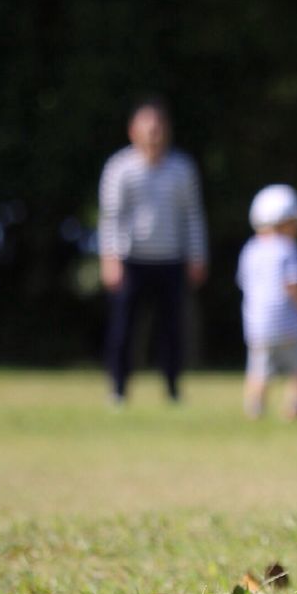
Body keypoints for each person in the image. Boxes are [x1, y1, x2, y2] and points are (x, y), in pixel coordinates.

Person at [98, 98, 208, 404]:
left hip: (171, 260)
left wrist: (197, 255)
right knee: (124, 330)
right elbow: (111, 217)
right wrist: (110, 258)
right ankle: (118, 390)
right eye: (148, 127)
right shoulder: (120, 168)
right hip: (130, 261)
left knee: (172, 331)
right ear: (133, 131)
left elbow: (192, 215)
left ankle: (173, 389)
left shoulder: (182, 168)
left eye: (159, 127)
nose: (154, 133)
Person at [237, 184, 297, 420]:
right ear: (282, 221)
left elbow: (245, 284)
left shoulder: (251, 249)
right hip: (291, 325)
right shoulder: (288, 248)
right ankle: (294, 409)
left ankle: (255, 408)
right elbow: (293, 286)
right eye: (295, 222)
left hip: (257, 325)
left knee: (259, 370)